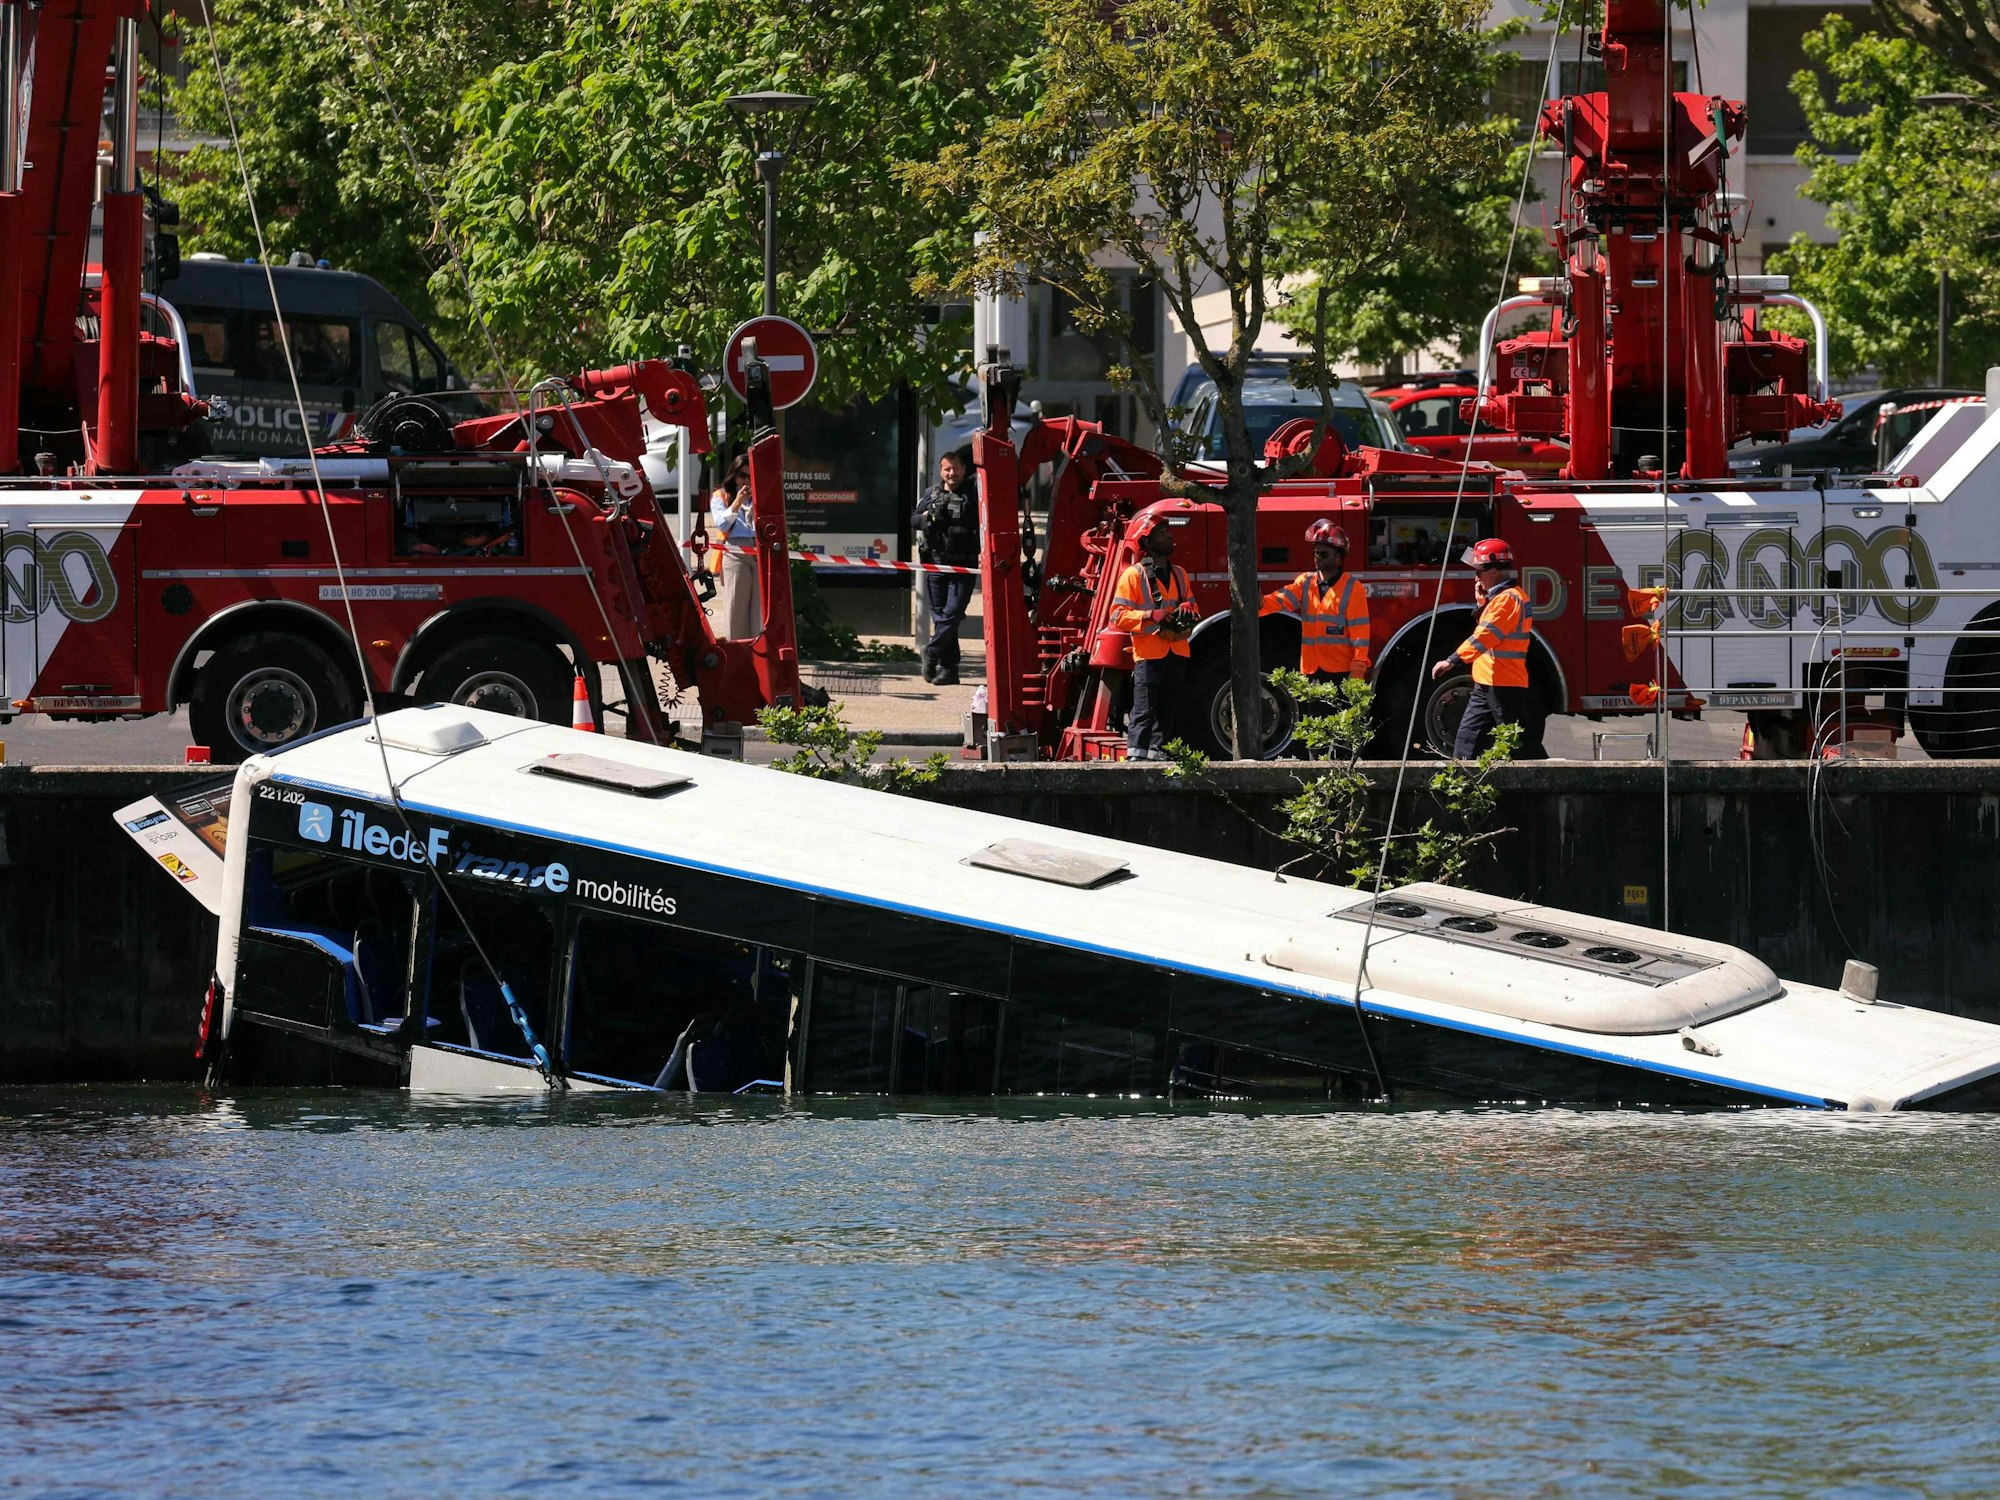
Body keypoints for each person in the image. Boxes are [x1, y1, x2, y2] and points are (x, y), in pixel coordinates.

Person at [1432, 537, 1547, 759]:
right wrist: (1481, 604)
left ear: (1494, 571)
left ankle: (1540, 775)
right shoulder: (1501, 599)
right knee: (1468, 738)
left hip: (1502, 681)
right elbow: (1489, 629)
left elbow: (1485, 636)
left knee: (1516, 741)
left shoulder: (1507, 600)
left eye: (1479, 571)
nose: (1476, 577)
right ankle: (1461, 775)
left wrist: (1452, 660)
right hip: (1488, 680)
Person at [1112, 515, 1199, 760]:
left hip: (1177, 650)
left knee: (1169, 710)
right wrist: (1150, 615)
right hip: (1148, 654)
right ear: (1147, 542)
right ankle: (1135, 757)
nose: (1169, 536)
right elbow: (1117, 616)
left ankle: (1158, 754)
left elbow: (1194, 607)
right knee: (1144, 710)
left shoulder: (1180, 574)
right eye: (1161, 533)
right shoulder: (1133, 575)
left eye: (1167, 532)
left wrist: (1188, 608)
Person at [1260, 519, 1371, 704]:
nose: (1317, 557)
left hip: (1341, 673)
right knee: (1314, 720)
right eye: (1315, 553)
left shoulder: (1353, 588)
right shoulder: (1305, 583)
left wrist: (1358, 670)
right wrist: (1259, 602)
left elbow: (1360, 634)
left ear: (1339, 558)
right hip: (1311, 671)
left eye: (1324, 554)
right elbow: (1278, 600)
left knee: (1339, 721)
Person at [913, 451, 981, 684]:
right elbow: (913, 520)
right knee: (941, 616)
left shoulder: (974, 493)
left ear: (964, 469)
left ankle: (931, 651)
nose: (952, 473)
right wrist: (927, 516)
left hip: (964, 564)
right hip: (936, 562)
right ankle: (949, 669)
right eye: (947, 469)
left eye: (955, 469)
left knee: (952, 614)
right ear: (941, 471)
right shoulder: (932, 494)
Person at [708, 453, 760, 639]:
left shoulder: (761, 494)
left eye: (750, 476)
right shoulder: (721, 495)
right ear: (734, 475)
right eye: (742, 476)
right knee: (736, 606)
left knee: (760, 610)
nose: (746, 481)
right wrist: (738, 502)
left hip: (759, 549)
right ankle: (738, 648)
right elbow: (722, 524)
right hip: (735, 550)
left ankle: (759, 648)